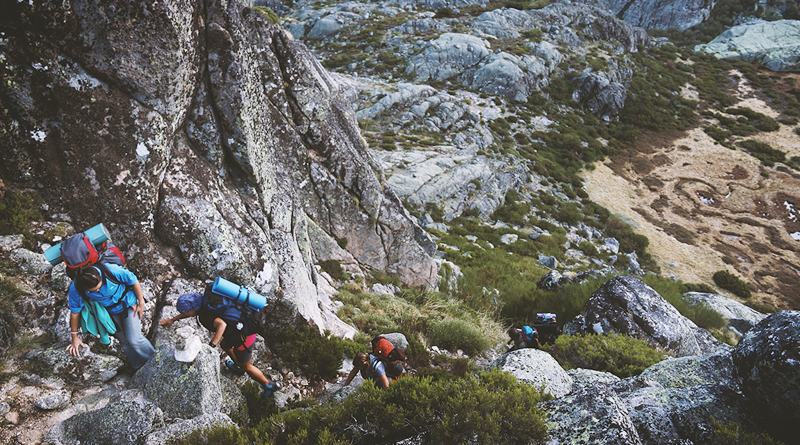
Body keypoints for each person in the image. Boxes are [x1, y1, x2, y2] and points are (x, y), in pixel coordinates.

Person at [159, 292, 280, 398]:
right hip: (236, 332)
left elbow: (222, 325)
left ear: (193, 308)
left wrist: (211, 345)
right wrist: (173, 319)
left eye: (185, 311)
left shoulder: (205, 315)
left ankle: (269, 385)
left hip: (244, 337)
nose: (185, 314)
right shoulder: (206, 300)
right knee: (225, 346)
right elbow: (189, 312)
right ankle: (237, 364)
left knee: (247, 366)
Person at [66, 264, 156, 370]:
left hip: (128, 304)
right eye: (93, 291)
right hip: (110, 313)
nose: (98, 292)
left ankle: (156, 363)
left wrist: (141, 302)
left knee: (134, 339)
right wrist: (74, 337)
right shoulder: (76, 288)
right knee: (124, 341)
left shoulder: (111, 270)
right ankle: (138, 367)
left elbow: (133, 280)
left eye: (99, 287)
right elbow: (75, 312)